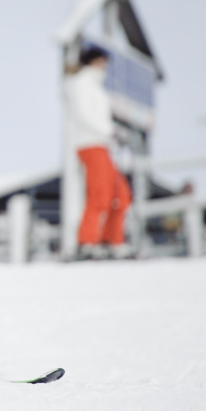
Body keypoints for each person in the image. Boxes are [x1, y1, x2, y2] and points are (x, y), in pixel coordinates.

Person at [65, 45, 132, 259]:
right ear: (94, 61)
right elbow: (84, 114)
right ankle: (87, 242)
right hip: (90, 144)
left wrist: (113, 133)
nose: (106, 67)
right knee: (100, 195)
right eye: (103, 62)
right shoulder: (82, 82)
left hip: (103, 145)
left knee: (120, 195)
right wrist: (110, 131)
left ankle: (112, 241)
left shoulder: (96, 86)